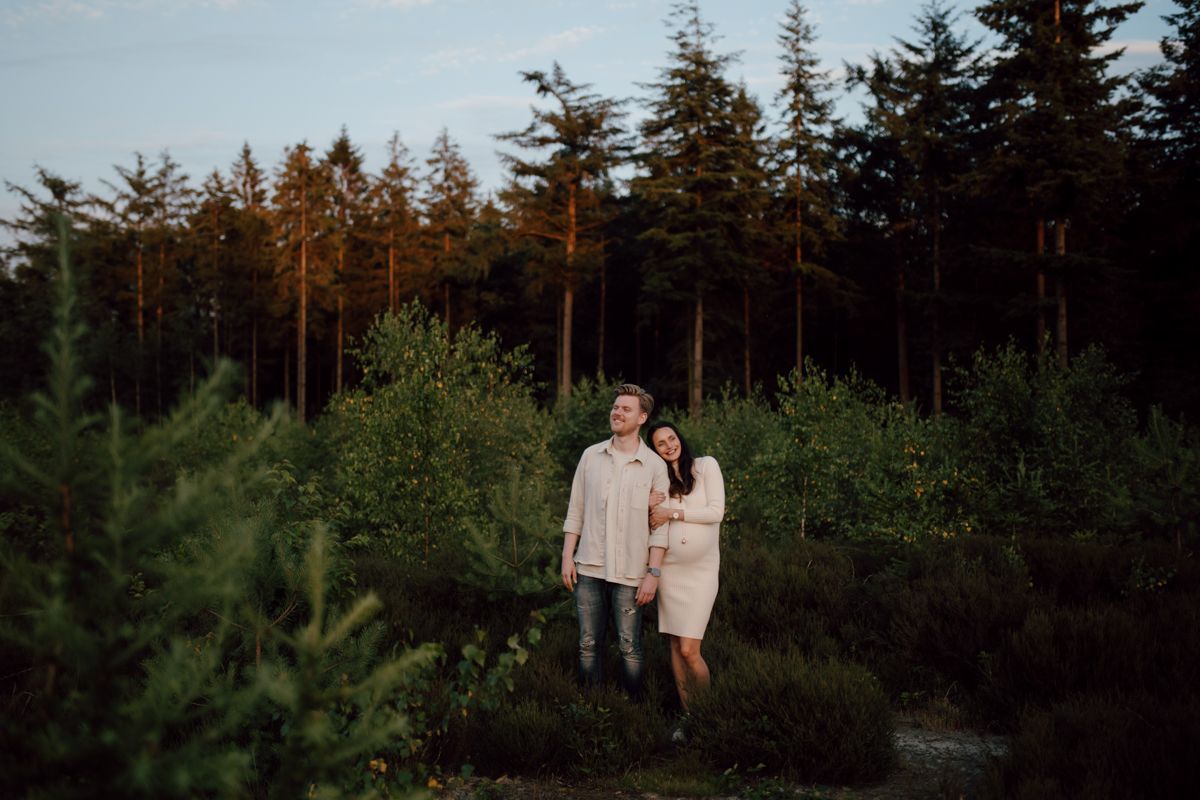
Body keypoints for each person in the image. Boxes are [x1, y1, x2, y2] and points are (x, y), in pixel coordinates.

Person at [561, 383, 670, 697]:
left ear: (641, 418)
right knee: (587, 645)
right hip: (589, 568)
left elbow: (660, 529)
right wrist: (568, 556)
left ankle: (632, 716)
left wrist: (653, 573)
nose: (617, 412)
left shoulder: (654, 466)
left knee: (629, 648)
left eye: (626, 409)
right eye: (615, 407)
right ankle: (589, 710)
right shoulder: (590, 457)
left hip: (631, 574)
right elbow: (575, 510)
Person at [646, 421, 724, 727]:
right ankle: (689, 718)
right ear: (654, 451)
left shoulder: (705, 467)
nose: (668, 446)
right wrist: (646, 506)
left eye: (671, 438)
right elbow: (652, 526)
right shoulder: (658, 482)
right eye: (660, 444)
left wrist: (673, 512)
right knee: (676, 646)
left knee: (690, 648)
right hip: (669, 572)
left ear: (680, 438)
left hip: (702, 570)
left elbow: (716, 512)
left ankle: (709, 718)